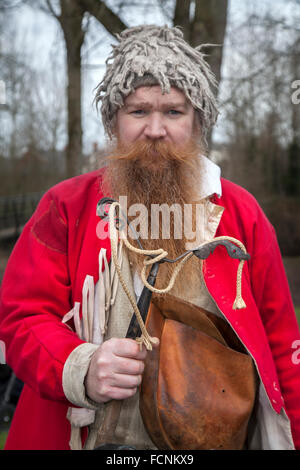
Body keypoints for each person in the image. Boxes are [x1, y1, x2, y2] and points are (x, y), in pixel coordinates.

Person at [0, 25, 299, 451]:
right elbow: (21, 318)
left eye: (173, 112)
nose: (155, 129)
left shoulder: (240, 214)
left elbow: (284, 352)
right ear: (113, 121)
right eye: (138, 111)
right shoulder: (65, 207)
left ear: (198, 121)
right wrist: (80, 367)